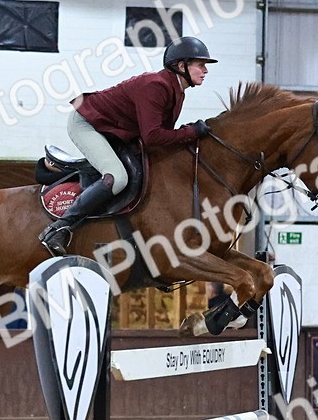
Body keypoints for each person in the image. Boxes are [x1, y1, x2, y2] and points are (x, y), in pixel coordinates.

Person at [38, 36, 217, 256]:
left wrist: (191, 134)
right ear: (181, 66)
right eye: (200, 64)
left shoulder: (177, 91)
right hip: (86, 123)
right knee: (117, 177)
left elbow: (161, 138)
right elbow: (153, 137)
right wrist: (191, 132)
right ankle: (58, 229)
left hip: (114, 131)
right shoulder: (156, 86)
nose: (205, 70)